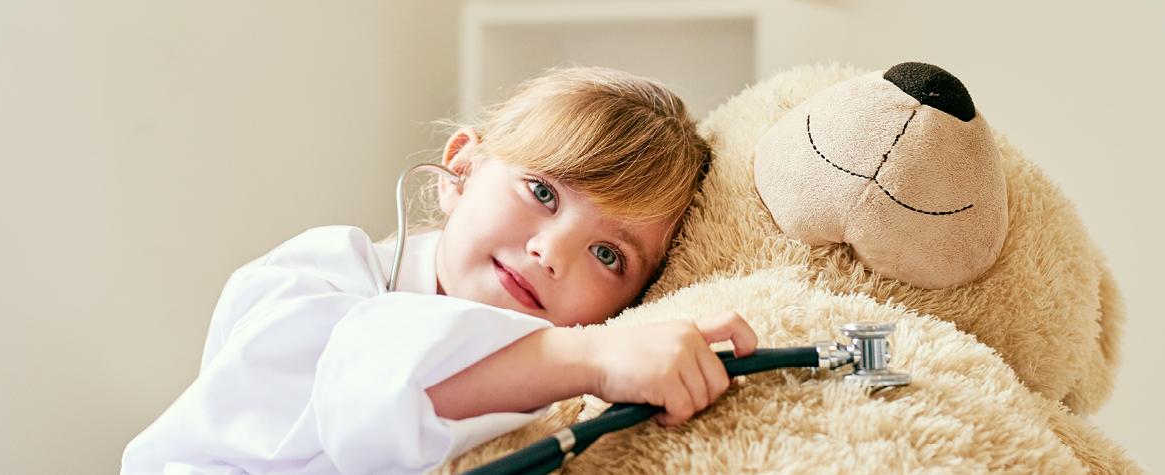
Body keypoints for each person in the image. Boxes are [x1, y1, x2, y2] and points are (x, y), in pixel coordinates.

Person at [121, 67, 758, 475]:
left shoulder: (559, 401)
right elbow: (366, 396)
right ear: (462, 168)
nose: (551, 253)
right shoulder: (316, 274)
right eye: (541, 192)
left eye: (607, 255)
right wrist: (592, 355)